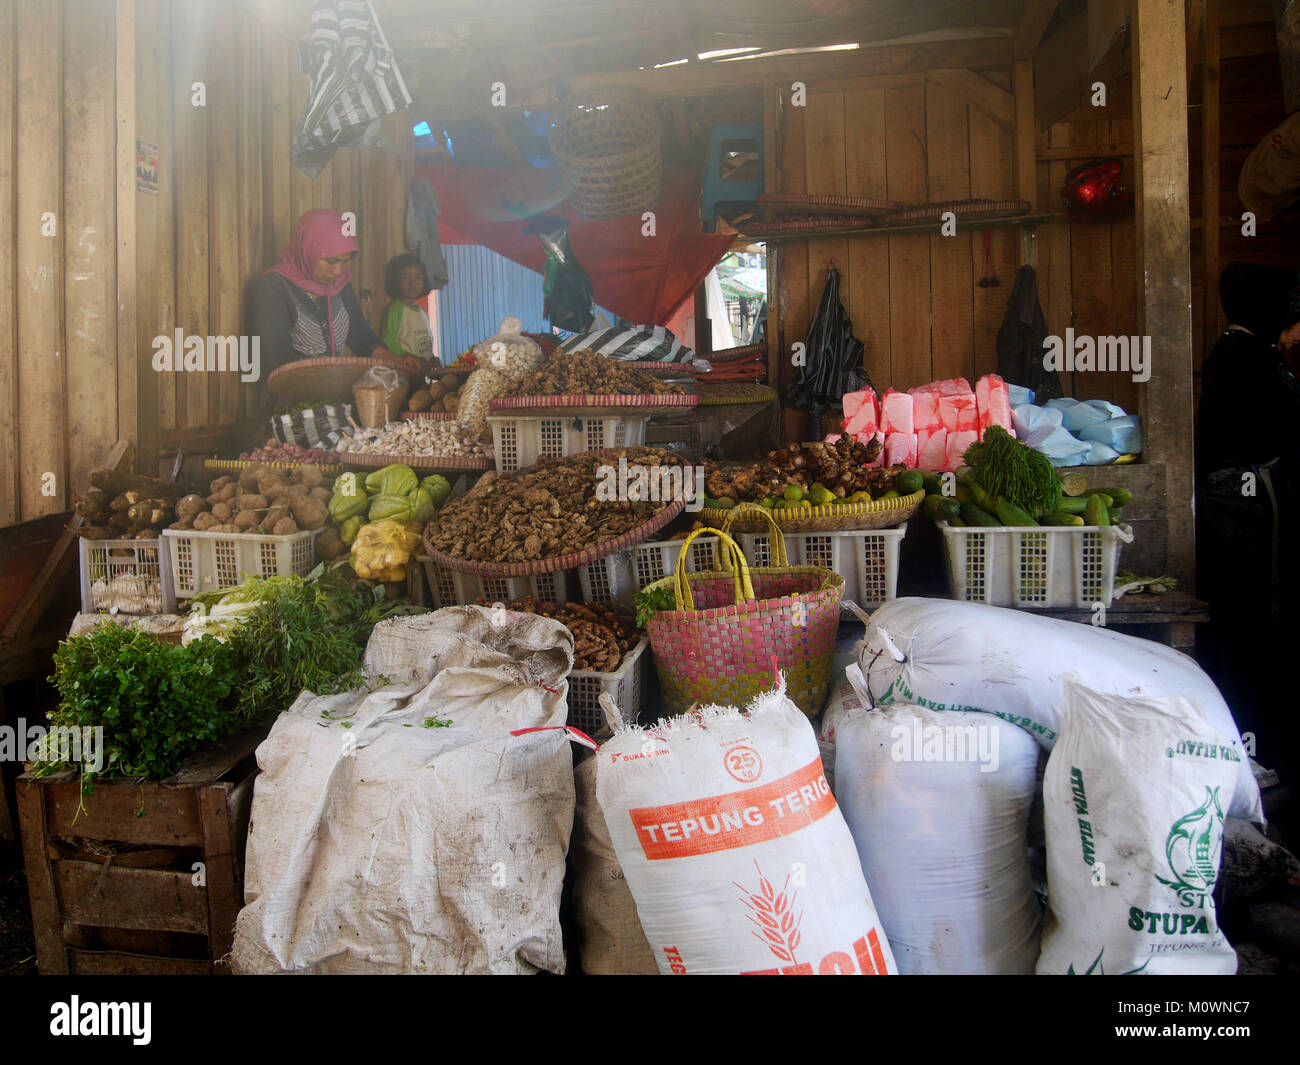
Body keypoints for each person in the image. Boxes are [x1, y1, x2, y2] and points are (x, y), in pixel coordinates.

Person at [1194, 261, 1300, 810]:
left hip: (1235, 516)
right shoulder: (1252, 361)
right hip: (1247, 519)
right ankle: (1256, 752)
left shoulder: (1235, 354)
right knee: (1251, 628)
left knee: (1237, 627)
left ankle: (1249, 749)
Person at [247, 209, 421, 374]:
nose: (338, 271)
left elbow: (362, 338)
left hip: (333, 394)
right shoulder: (273, 288)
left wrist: (397, 361)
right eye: (331, 261)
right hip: (290, 399)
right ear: (308, 250)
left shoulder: (340, 285)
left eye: (344, 262)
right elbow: (278, 360)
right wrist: (335, 381)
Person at [378, 253, 435, 362]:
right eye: (405, 278)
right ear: (395, 281)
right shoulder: (396, 309)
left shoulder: (423, 313)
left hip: (421, 375)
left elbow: (424, 345)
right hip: (403, 374)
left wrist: (432, 358)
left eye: (417, 278)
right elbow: (387, 342)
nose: (412, 283)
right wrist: (406, 356)